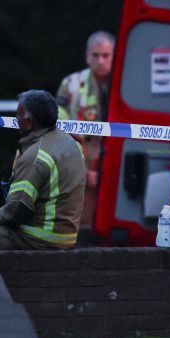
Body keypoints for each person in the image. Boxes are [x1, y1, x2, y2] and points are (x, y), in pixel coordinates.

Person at [0, 90, 85, 250]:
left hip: (40, 236)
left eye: (18, 115)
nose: (15, 119)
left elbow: (15, 213)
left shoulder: (34, 158)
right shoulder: (71, 143)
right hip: (66, 236)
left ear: (28, 122)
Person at [56, 30, 113, 227]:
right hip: (81, 170)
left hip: (115, 171)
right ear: (87, 56)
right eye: (96, 55)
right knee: (81, 227)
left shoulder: (125, 86)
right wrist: (84, 172)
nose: (100, 61)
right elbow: (61, 134)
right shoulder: (71, 85)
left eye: (106, 55)